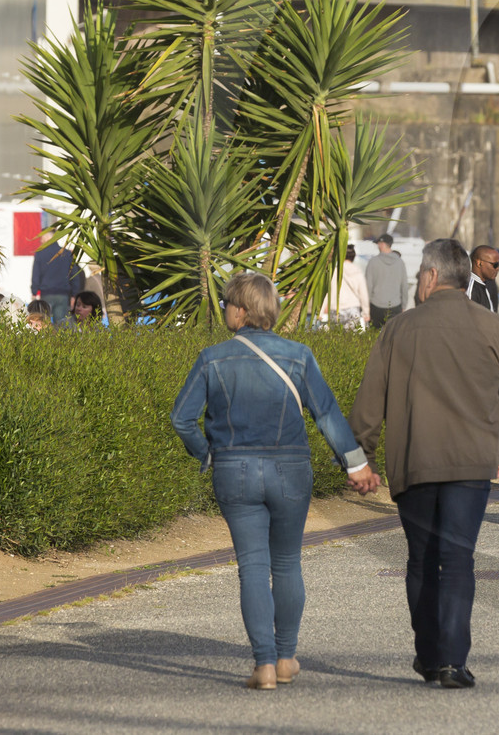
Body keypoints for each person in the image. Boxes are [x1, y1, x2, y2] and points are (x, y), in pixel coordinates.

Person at [171, 272, 379, 690]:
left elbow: (181, 419)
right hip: (290, 469)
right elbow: (326, 414)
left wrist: (208, 453)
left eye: (228, 302)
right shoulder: (299, 355)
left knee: (252, 567)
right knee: (286, 564)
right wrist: (355, 465)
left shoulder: (212, 358)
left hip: (235, 470)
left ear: (243, 310)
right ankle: (286, 658)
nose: (225, 309)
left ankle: (263, 665)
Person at [350, 239, 499, 690]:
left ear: (429, 276)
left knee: (421, 560)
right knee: (458, 559)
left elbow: (370, 402)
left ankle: (428, 655)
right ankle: (452, 661)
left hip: (416, 460)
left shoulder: (399, 329)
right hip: (471, 463)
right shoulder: (493, 328)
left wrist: (360, 457)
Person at [30, 233, 83, 327]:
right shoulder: (67, 254)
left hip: (47, 293)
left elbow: (36, 275)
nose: (41, 242)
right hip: (63, 294)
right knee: (62, 324)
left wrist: (34, 292)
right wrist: (74, 295)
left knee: (44, 323)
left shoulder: (40, 254)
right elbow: (74, 276)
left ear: (46, 239)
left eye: (41, 240)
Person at [320, 244, 371, 329]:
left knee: (336, 338)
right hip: (353, 309)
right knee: (352, 339)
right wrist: (366, 313)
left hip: (335, 309)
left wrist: (321, 311)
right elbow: (363, 294)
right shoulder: (358, 272)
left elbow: (327, 292)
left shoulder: (334, 272)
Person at [366, 234, 407, 328]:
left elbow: (368, 286)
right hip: (395, 306)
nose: (377, 246)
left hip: (376, 306)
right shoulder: (400, 262)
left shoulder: (373, 262)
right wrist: (404, 305)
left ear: (382, 244)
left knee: (374, 338)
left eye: (378, 243)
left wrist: (366, 307)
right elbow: (404, 285)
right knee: (393, 338)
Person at [467, 245, 499, 312]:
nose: (498, 268)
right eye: (495, 265)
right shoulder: (471, 288)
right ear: (479, 263)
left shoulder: (485, 285)